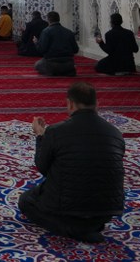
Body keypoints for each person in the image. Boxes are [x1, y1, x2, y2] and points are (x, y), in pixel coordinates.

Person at [19, 82, 125, 243]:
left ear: (70, 104)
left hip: (66, 208)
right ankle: (89, 226)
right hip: (106, 210)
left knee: (26, 201)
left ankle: (74, 230)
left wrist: (40, 135)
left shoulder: (56, 131)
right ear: (97, 104)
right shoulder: (115, 133)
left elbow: (43, 167)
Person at [36, 11, 78, 77]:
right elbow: (76, 50)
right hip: (68, 63)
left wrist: (36, 43)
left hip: (52, 63)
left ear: (48, 20)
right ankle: (66, 71)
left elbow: (42, 50)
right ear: (59, 19)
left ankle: (54, 71)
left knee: (37, 64)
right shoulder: (69, 32)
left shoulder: (46, 31)